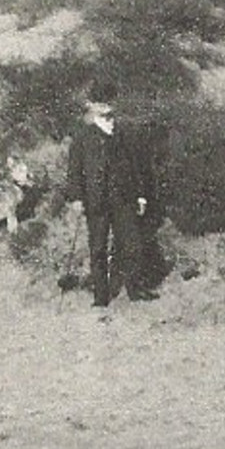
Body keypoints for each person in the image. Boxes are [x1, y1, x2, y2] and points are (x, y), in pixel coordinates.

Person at [64, 79, 163, 308]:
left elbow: (136, 167)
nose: (107, 109)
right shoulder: (82, 137)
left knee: (130, 245)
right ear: (93, 107)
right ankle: (101, 296)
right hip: (95, 201)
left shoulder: (124, 133)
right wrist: (76, 198)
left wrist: (140, 196)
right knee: (98, 248)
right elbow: (74, 171)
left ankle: (135, 290)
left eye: (109, 104)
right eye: (101, 104)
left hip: (123, 199)